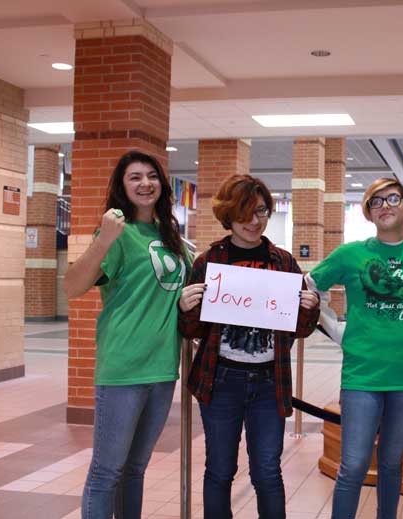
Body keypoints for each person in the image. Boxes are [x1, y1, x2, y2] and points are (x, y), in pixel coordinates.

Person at [177, 174, 319, 519]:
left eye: (262, 212)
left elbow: (299, 330)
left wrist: (310, 310)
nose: (255, 221)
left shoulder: (283, 262)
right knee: (220, 471)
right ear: (229, 215)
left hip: (270, 382)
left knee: (268, 472)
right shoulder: (209, 262)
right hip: (221, 380)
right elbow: (192, 330)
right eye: (246, 213)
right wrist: (184, 308)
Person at [306, 178, 403, 519]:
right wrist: (330, 326)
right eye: (376, 201)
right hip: (362, 376)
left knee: (391, 462)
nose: (385, 205)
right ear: (368, 213)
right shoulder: (351, 254)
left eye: (393, 198)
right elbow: (309, 287)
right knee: (353, 465)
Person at [63, 150, 192, 519]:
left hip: (163, 370)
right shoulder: (117, 234)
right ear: (122, 186)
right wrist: (103, 240)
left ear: (162, 185)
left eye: (151, 176)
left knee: (135, 470)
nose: (145, 183)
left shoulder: (171, 236)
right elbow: (72, 288)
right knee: (107, 472)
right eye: (134, 177)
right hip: (123, 369)